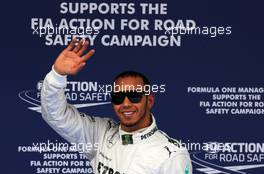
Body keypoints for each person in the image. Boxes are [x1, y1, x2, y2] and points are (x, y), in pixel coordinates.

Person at [41, 38, 192, 174]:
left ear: (150, 100)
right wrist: (57, 76)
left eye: (134, 96)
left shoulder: (171, 155)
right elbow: (56, 115)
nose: (126, 104)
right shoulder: (100, 133)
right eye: (119, 97)